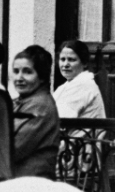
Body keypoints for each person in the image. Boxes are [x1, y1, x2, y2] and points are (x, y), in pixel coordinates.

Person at [11, 45, 60, 180]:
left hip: (32, 185)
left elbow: (12, 148)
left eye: (27, 72)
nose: (19, 78)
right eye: (16, 71)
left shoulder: (40, 106)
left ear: (42, 77)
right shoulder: (20, 102)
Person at [53, 39, 106, 119]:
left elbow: (60, 119)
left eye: (71, 60)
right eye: (62, 59)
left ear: (84, 63)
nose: (65, 64)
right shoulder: (65, 86)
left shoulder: (84, 85)